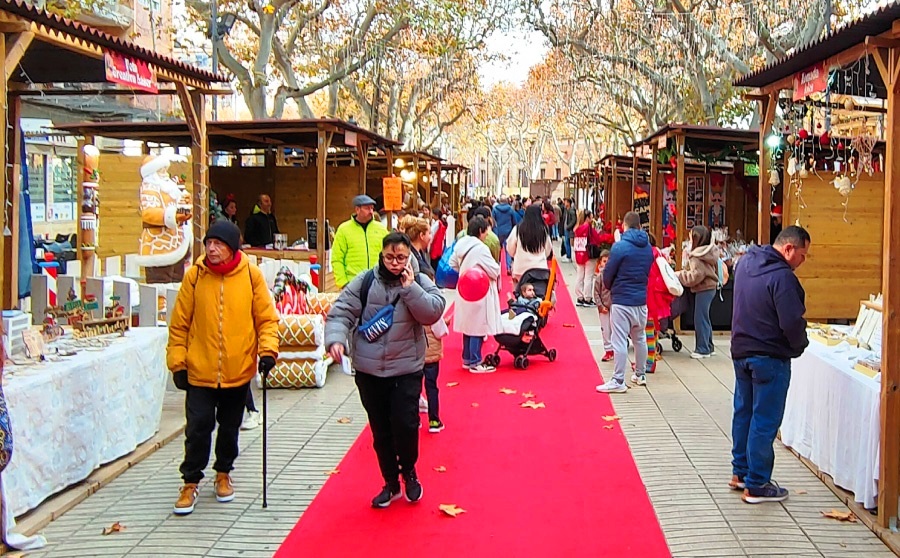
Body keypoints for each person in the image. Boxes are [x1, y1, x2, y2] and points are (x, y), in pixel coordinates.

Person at [325, 233, 446, 507]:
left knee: (406, 425)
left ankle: (409, 472)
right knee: (381, 431)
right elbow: (341, 311)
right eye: (389, 257)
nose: (394, 263)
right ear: (381, 255)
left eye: (401, 257)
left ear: (409, 256)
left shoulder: (419, 280)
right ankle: (390, 482)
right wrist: (335, 339)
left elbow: (433, 312)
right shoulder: (366, 281)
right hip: (369, 370)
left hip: (406, 368)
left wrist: (410, 288)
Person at [167, 221, 280, 515]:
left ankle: (223, 473)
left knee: (230, 428)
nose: (212, 249)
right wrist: (178, 362)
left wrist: (268, 351)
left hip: (237, 368)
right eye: (209, 243)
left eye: (218, 244)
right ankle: (190, 481)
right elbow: (179, 325)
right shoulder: (195, 276)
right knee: (198, 427)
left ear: (231, 248)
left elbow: (266, 319)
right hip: (200, 370)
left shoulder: (251, 276)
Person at [730, 226, 810, 504]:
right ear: (788, 249)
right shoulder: (783, 277)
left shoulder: (745, 263)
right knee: (764, 419)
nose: (803, 261)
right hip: (769, 355)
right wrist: (799, 345)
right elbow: (791, 321)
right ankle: (757, 483)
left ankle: (740, 472)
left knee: (744, 413)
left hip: (741, 349)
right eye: (802, 254)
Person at [596, 211, 653, 393]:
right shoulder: (647, 247)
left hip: (622, 299)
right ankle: (640, 374)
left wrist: (611, 286)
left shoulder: (620, 247)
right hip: (640, 300)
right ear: (640, 226)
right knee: (640, 338)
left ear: (624, 226)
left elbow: (608, 274)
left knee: (619, 340)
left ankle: (618, 379)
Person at [450, 216, 502, 373]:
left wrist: (465, 271)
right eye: (486, 231)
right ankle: (475, 361)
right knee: (478, 326)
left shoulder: (460, 244)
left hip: (465, 288)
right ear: (480, 231)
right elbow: (494, 270)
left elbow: (452, 264)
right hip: (479, 290)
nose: (487, 234)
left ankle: (467, 358)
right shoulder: (480, 248)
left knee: (468, 325)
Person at [676, 225, 719, 359]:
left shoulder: (696, 255)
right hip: (711, 287)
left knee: (700, 319)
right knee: (705, 317)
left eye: (690, 237)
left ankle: (702, 349)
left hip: (703, 288)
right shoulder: (709, 252)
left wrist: (680, 275)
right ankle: (709, 346)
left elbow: (696, 276)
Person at [332, 195, 390, 289]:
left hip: (377, 282)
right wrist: (343, 283)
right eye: (367, 208)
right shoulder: (344, 230)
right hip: (353, 283)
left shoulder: (381, 229)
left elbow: (388, 254)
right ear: (357, 209)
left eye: (372, 208)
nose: (371, 211)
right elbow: (337, 258)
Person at [645, 233, 675, 374]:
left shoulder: (648, 255)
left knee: (648, 331)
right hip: (658, 296)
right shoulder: (658, 253)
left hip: (650, 295)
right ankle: (652, 357)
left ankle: (650, 361)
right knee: (653, 329)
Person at [506, 205, 553, 283]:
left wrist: (516, 255)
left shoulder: (518, 229)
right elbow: (548, 248)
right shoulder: (543, 229)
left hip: (521, 268)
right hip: (539, 268)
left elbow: (510, 247)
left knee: (519, 289)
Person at [573, 209, 602, 307]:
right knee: (588, 277)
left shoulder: (577, 228)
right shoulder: (588, 227)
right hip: (589, 254)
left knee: (580, 276)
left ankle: (580, 297)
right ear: (587, 218)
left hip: (579, 254)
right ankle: (587, 298)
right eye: (591, 216)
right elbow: (597, 238)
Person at [593, 250, 614, 362]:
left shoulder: (615, 276)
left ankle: (615, 348)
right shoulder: (599, 277)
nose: (606, 264)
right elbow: (596, 293)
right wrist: (600, 306)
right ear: (600, 263)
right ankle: (608, 350)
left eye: (608, 261)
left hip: (615, 306)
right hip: (604, 308)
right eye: (604, 261)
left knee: (615, 329)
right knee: (605, 330)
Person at [492, 195, 518, 272]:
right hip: (508, 231)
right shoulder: (510, 209)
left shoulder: (495, 209)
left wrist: (495, 230)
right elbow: (514, 221)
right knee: (508, 249)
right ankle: (508, 267)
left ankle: (497, 265)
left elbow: (493, 221)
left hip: (498, 231)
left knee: (498, 249)